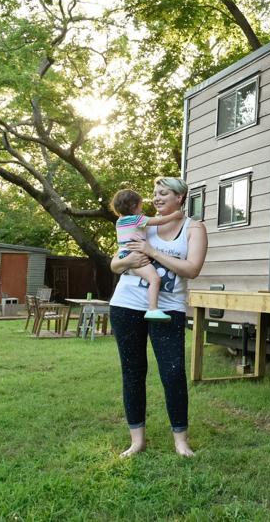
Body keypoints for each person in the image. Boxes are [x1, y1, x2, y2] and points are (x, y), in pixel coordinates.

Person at [109, 177, 208, 458]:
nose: (157, 197)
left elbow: (191, 269)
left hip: (169, 309)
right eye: (155, 193)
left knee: (173, 372)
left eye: (164, 193)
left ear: (180, 197)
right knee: (133, 371)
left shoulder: (194, 228)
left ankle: (181, 441)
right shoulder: (139, 222)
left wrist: (152, 253)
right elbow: (116, 263)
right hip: (127, 304)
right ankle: (137, 440)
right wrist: (129, 262)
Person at [110, 188, 184, 321]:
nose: (141, 209)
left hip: (124, 253)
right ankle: (153, 309)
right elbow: (159, 221)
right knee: (154, 279)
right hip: (135, 254)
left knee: (149, 277)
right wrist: (176, 215)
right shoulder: (136, 219)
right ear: (133, 206)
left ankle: (152, 308)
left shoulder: (120, 221)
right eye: (140, 205)